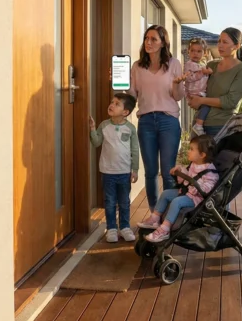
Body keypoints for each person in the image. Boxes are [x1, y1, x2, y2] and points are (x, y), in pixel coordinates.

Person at [129, 25, 187, 230]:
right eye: (146, 38)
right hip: (145, 121)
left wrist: (178, 84)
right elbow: (131, 95)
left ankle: (169, 216)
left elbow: (178, 97)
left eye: (153, 39)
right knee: (151, 171)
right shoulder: (137, 66)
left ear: (163, 42)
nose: (148, 42)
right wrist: (116, 85)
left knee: (168, 171)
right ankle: (155, 214)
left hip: (168, 120)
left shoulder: (173, 64)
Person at [143, 134, 219, 243]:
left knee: (176, 201)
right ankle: (155, 219)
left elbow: (207, 188)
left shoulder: (210, 172)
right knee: (165, 193)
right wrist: (180, 171)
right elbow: (188, 177)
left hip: (196, 199)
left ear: (202, 155)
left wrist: (196, 187)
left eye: (191, 149)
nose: (188, 151)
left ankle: (165, 229)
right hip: (187, 192)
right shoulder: (194, 164)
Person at [88, 93, 140, 243]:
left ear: (125, 112)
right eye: (112, 102)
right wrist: (92, 129)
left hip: (124, 172)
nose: (111, 105)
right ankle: (111, 228)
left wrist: (134, 169)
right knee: (110, 201)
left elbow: (135, 149)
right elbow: (96, 142)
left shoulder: (130, 128)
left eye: (117, 104)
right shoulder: (104, 125)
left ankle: (124, 227)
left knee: (124, 202)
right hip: (107, 172)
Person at [186, 28, 242, 138]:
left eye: (225, 42)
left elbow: (230, 101)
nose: (220, 45)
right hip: (198, 124)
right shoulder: (211, 65)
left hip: (221, 126)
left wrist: (201, 100)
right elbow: (196, 85)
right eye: (219, 41)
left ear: (237, 46)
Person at [184, 38, 214, 135]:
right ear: (188, 51)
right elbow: (189, 78)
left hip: (200, 92)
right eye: (192, 51)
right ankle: (198, 125)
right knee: (206, 104)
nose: (195, 54)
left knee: (205, 107)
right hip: (194, 92)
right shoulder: (189, 64)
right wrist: (202, 72)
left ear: (204, 53)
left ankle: (198, 123)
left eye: (199, 51)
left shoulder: (201, 64)